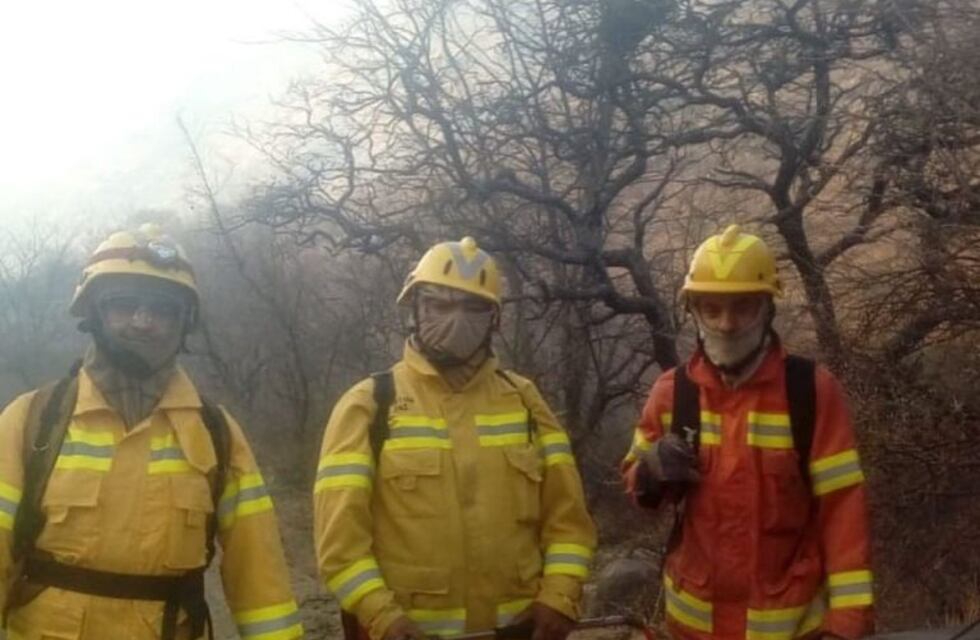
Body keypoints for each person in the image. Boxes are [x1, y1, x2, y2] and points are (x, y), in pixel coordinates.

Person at [0, 224, 302, 640]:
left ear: (184, 324)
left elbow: (260, 575)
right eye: (124, 304)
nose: (144, 322)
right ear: (93, 314)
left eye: (163, 309)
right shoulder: (32, 419)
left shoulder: (216, 433)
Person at [314, 237, 596, 640]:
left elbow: (568, 521)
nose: (456, 320)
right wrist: (381, 616)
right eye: (439, 305)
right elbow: (340, 545)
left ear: (494, 320)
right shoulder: (369, 405)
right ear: (414, 308)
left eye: (473, 308)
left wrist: (560, 596)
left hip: (518, 631)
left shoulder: (524, 401)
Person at [622, 225, 873, 640]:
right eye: (712, 308)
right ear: (694, 311)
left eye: (743, 307)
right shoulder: (672, 393)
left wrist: (847, 622)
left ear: (767, 308)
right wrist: (649, 470)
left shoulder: (810, 392)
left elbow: (843, 508)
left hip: (791, 630)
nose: (727, 323)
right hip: (692, 627)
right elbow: (638, 486)